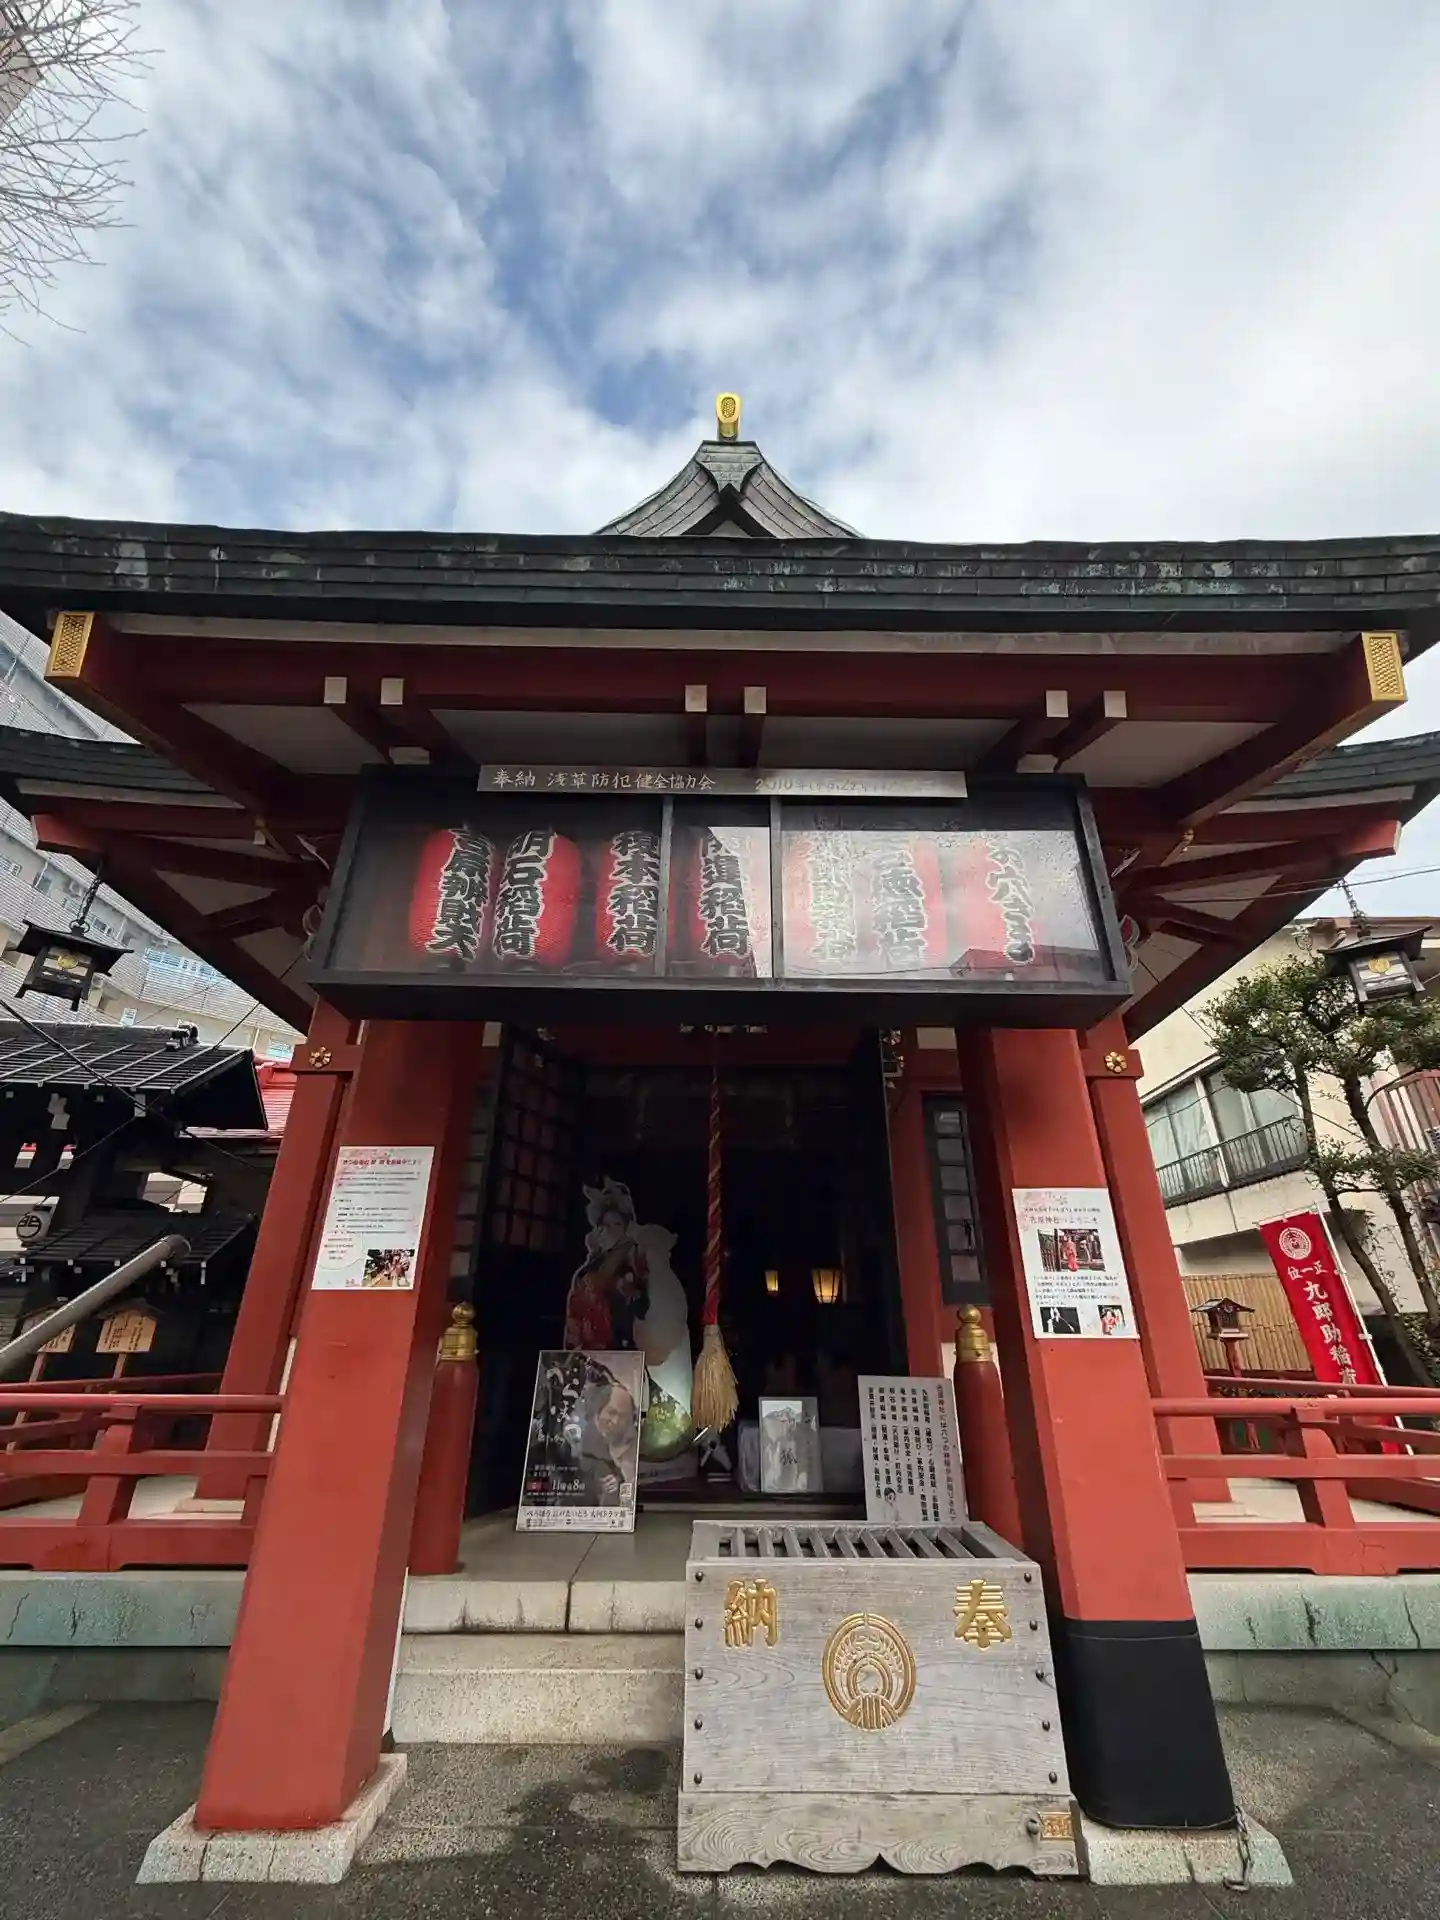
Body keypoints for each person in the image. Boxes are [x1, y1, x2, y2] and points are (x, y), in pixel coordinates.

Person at [575, 1378, 638, 1505]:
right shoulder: (583, 1438)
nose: (615, 1421)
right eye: (611, 1412)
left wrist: (618, 1480)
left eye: (623, 1416)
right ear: (598, 1412)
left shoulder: (628, 1443)